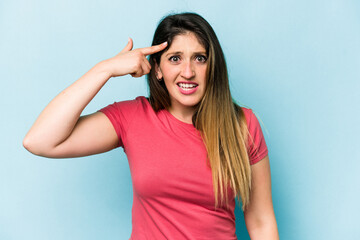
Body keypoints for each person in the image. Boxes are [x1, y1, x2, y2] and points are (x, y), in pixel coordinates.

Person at [23, 12, 279, 239]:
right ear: (157, 69)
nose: (188, 72)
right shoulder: (132, 118)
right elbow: (40, 140)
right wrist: (105, 69)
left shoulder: (242, 124)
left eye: (199, 58)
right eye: (175, 59)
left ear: (212, 67)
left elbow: (261, 221)